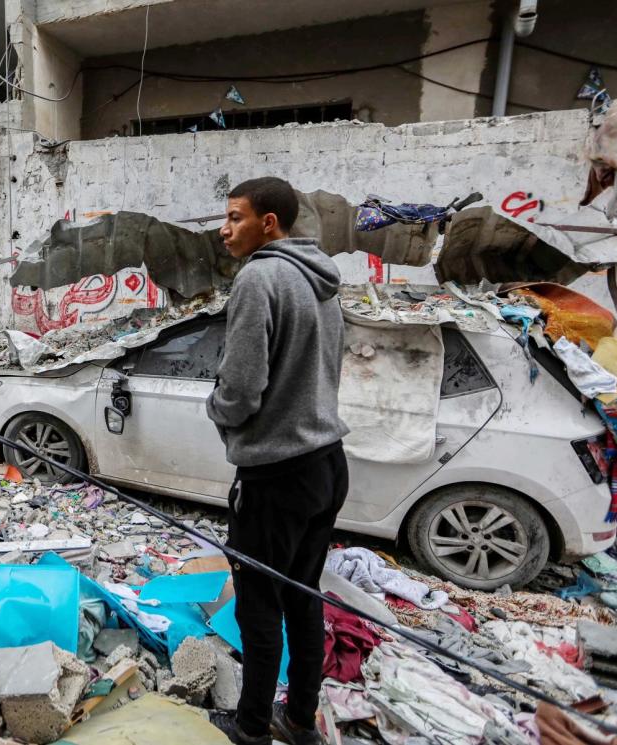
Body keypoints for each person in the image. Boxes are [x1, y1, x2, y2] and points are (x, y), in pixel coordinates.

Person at [206, 177, 350, 745]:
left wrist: (216, 409)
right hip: (327, 463)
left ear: (269, 223)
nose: (224, 229)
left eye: (235, 217)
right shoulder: (323, 280)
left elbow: (241, 389)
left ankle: (250, 728)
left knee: (259, 607)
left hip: (275, 474)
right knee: (304, 595)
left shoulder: (259, 278)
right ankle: (299, 722)